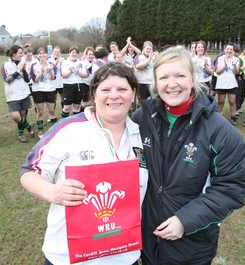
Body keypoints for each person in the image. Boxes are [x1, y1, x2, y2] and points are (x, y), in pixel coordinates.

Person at [131, 46, 245, 264]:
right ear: (155, 82)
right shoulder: (141, 119)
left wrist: (185, 221)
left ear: (194, 77)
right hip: (146, 241)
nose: (172, 83)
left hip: (191, 245)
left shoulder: (219, 130)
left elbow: (232, 186)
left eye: (180, 75)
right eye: (164, 77)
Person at [20, 61, 149, 265]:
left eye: (122, 89)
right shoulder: (69, 129)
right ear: (94, 94)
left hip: (123, 256)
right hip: (69, 257)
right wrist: (52, 192)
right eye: (106, 89)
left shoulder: (141, 134)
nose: (114, 95)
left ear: (133, 94)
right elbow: (29, 172)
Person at [1, 45, 35, 143]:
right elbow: (7, 80)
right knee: (16, 116)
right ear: (14, 54)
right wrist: (19, 70)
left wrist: (23, 70)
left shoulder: (24, 63)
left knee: (23, 114)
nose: (22, 55)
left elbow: (28, 79)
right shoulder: (5, 64)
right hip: (12, 94)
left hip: (24, 92)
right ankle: (29, 126)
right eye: (20, 53)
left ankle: (21, 134)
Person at [30, 47, 56, 138]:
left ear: (46, 55)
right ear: (37, 55)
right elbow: (36, 80)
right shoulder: (34, 65)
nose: (42, 55)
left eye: (43, 53)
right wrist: (41, 71)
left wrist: (51, 70)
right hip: (38, 91)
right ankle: (40, 131)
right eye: (40, 53)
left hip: (50, 90)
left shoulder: (50, 64)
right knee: (40, 112)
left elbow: (52, 78)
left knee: (51, 111)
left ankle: (54, 131)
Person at [215, 42, 240, 125]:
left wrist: (235, 65)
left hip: (232, 84)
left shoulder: (236, 59)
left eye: (231, 49)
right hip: (221, 84)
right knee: (220, 101)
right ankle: (218, 118)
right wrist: (224, 65)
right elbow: (218, 72)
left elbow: (236, 73)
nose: (229, 51)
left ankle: (233, 118)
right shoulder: (220, 58)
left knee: (232, 101)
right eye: (228, 49)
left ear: (233, 51)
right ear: (224, 49)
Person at [61, 46, 88, 118]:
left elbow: (85, 75)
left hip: (79, 86)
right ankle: (64, 123)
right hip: (68, 86)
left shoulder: (81, 63)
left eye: (76, 53)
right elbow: (63, 75)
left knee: (76, 106)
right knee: (66, 107)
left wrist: (78, 71)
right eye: (73, 52)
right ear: (69, 53)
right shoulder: (65, 62)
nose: (74, 54)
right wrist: (70, 71)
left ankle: (75, 123)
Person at [134, 41, 156, 106]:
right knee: (144, 103)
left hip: (152, 83)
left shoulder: (154, 57)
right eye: (147, 49)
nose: (149, 50)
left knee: (154, 101)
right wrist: (149, 59)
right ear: (143, 49)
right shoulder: (139, 57)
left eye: (150, 49)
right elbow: (139, 67)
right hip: (142, 83)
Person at [48, 46, 65, 119]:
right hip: (52, 83)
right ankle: (52, 115)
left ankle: (64, 114)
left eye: (58, 52)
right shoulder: (49, 60)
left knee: (63, 99)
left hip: (61, 82)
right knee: (53, 100)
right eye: (55, 52)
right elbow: (47, 71)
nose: (56, 53)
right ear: (52, 52)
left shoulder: (63, 60)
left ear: (60, 53)